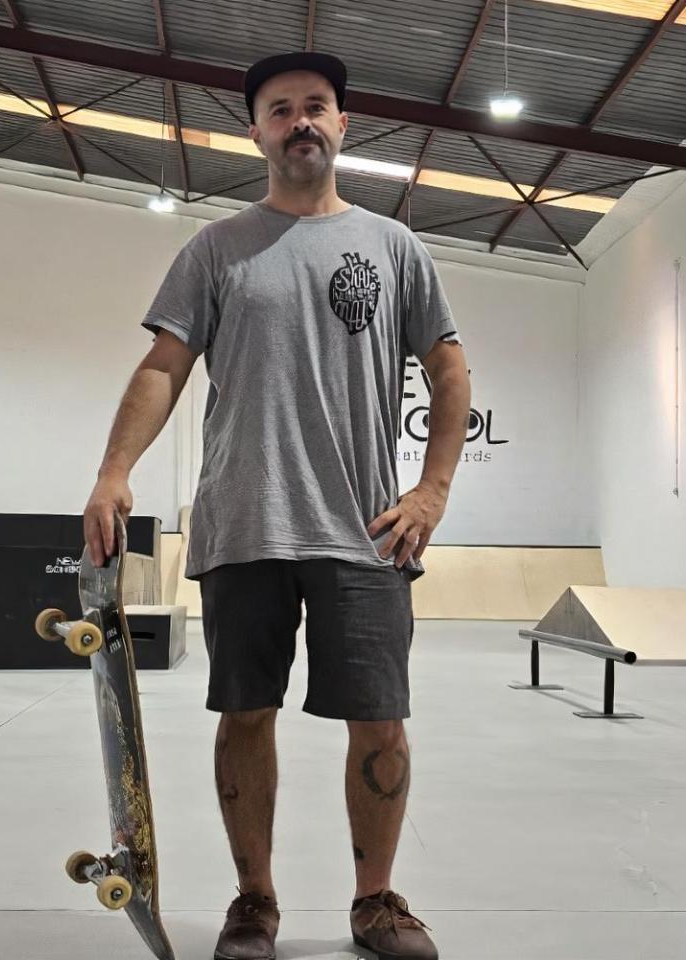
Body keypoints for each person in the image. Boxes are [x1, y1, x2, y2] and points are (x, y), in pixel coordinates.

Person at [82, 50, 469, 960]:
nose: (301, 120)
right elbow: (161, 368)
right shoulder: (215, 250)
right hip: (245, 523)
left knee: (380, 720)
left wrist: (434, 488)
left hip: (366, 533)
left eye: (317, 107)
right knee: (244, 713)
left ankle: (375, 902)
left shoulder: (394, 246)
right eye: (282, 108)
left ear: (343, 127)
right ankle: (254, 901)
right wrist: (112, 472)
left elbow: (448, 367)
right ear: (255, 131)